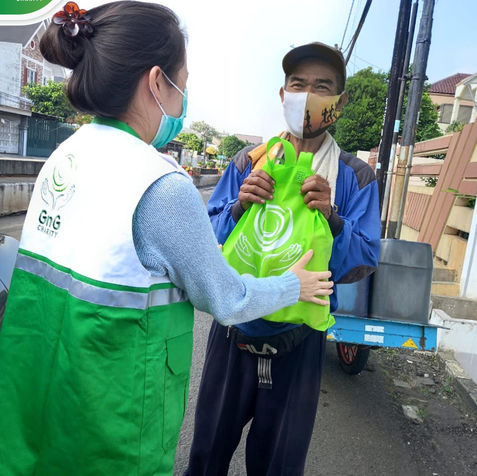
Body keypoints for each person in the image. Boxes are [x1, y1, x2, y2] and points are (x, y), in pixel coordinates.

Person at [0, 4, 334, 475]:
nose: (182, 99)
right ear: (157, 82)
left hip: (36, 404)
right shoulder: (160, 184)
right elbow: (226, 298)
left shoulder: (65, 155)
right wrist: (293, 285)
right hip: (111, 418)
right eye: (182, 83)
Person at [186, 42, 381, 475]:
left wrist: (332, 219)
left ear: (340, 103)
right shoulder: (249, 161)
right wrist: (238, 206)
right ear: (283, 94)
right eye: (298, 84)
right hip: (235, 330)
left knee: (280, 465)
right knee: (206, 456)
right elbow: (207, 236)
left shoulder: (355, 176)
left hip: (299, 341)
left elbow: (364, 260)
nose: (307, 95)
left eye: (322, 87)